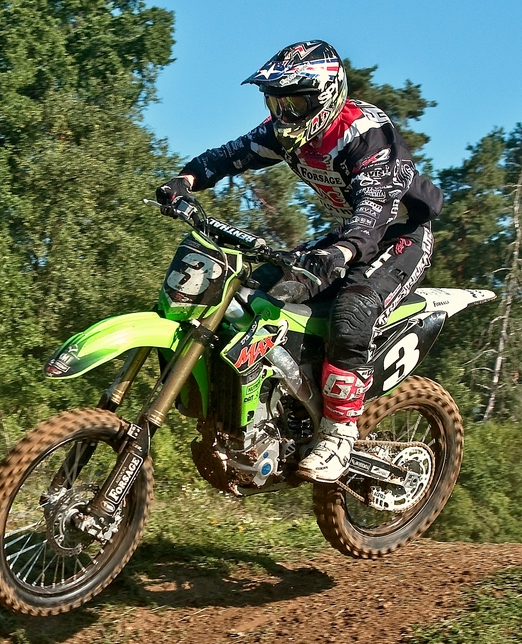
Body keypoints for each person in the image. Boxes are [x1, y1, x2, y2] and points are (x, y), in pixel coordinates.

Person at [156, 40, 443, 484]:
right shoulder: (287, 131)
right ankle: (274, 412)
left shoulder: (366, 134)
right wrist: (185, 180)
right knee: (254, 295)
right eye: (277, 102)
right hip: (346, 235)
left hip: (397, 236)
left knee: (353, 310)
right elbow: (230, 155)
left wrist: (339, 253)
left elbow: (373, 211)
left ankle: (339, 433)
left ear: (326, 96)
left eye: (294, 102)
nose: (284, 114)